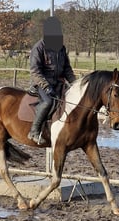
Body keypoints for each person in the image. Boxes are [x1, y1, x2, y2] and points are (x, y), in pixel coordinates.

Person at [28, 16, 76, 145]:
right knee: (48, 102)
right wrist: (46, 86)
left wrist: (75, 84)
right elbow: (35, 71)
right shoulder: (38, 47)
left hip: (59, 83)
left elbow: (67, 69)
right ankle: (34, 131)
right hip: (42, 84)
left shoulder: (61, 48)